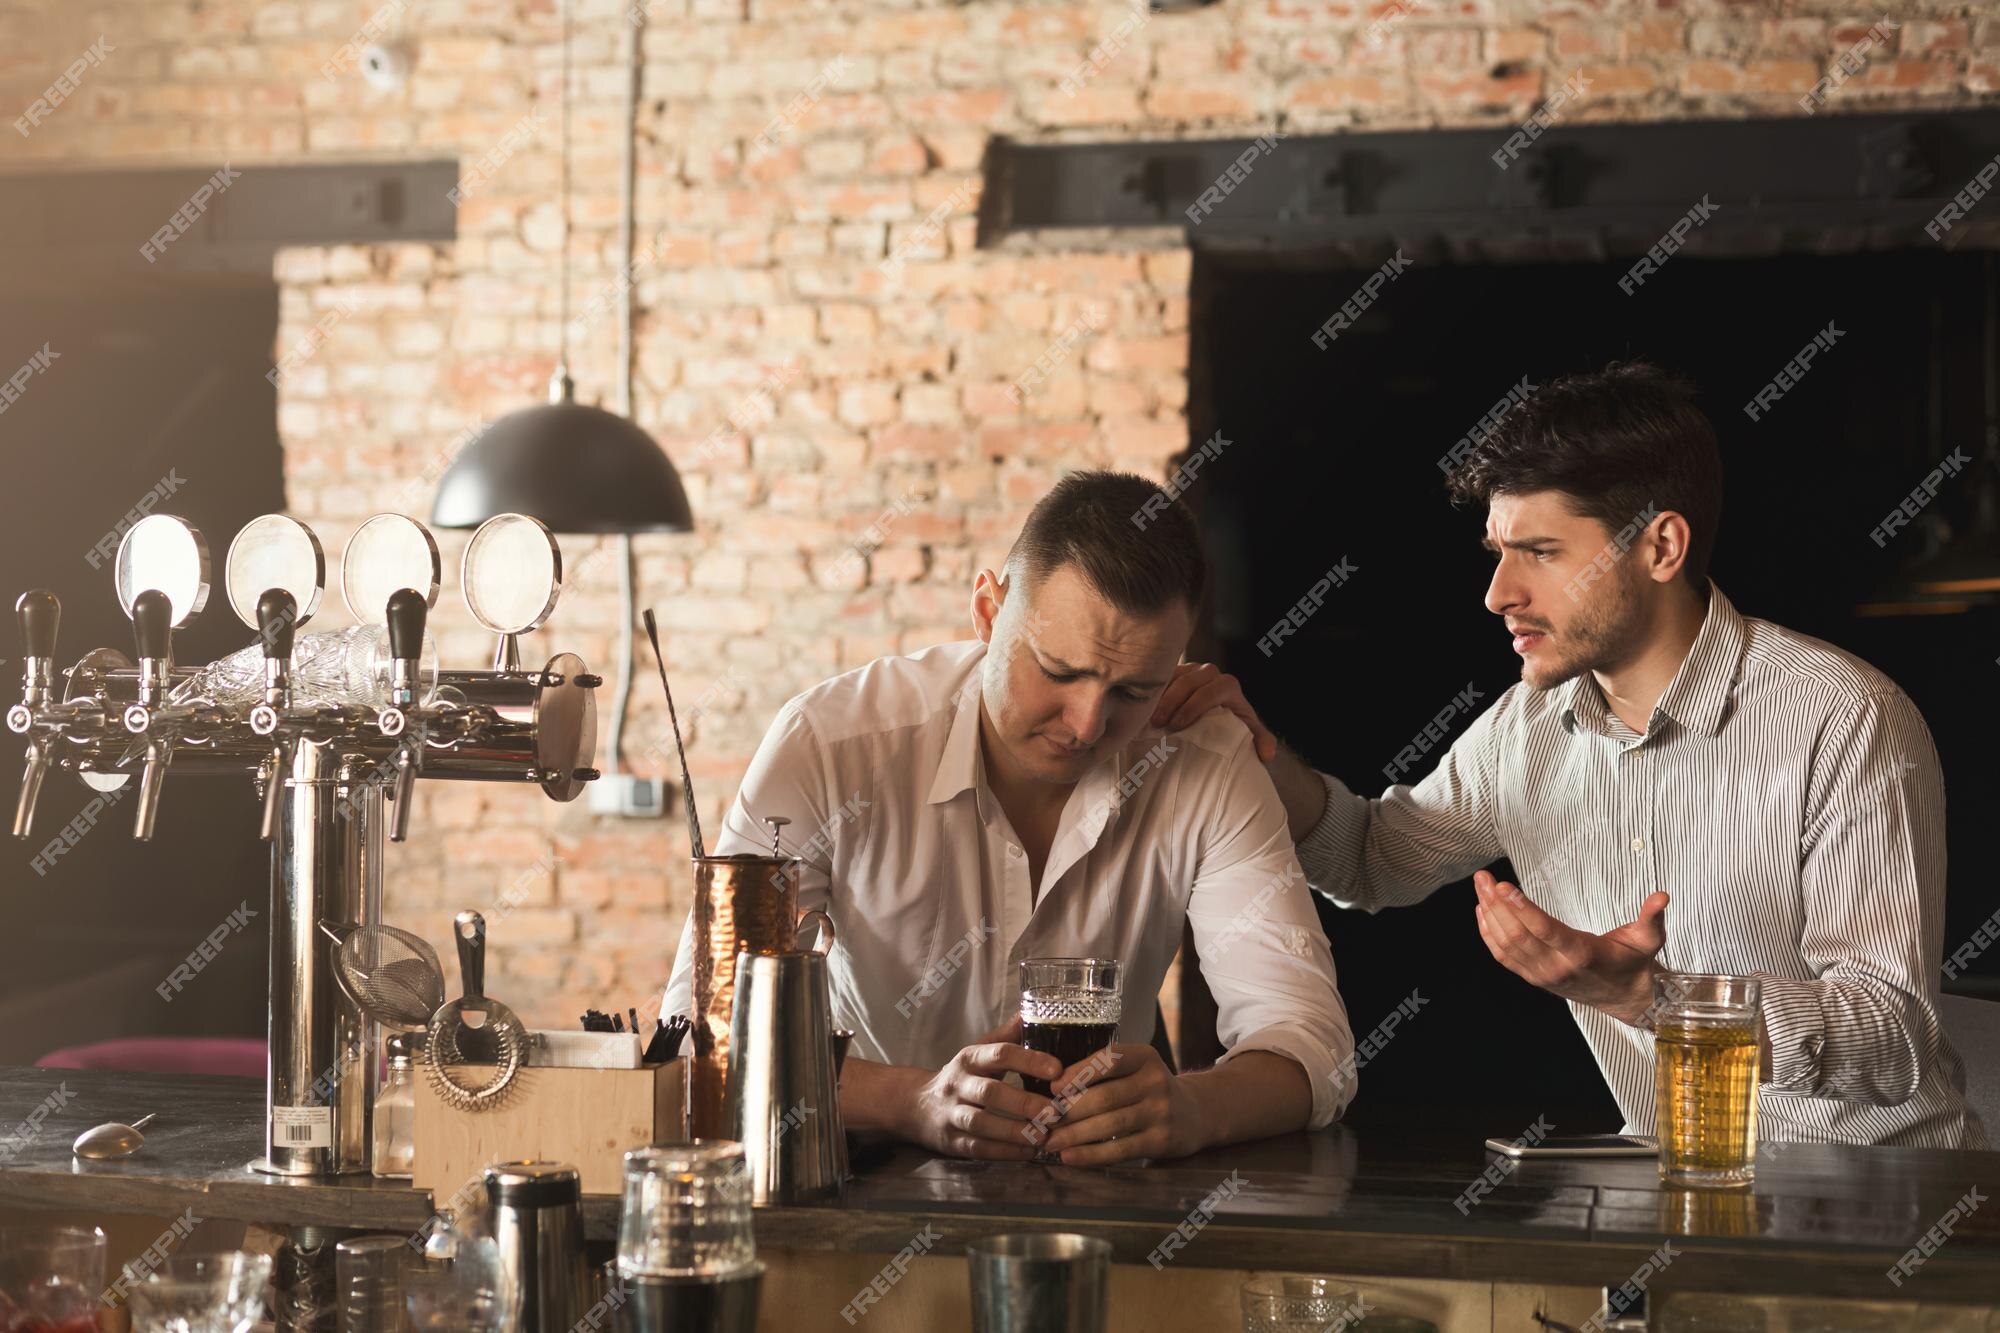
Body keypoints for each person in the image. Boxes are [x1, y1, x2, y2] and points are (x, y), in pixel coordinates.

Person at [1154, 361, 1984, 1148]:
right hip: (1679, 1201)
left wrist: (1648, 999)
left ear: (1662, 547)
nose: (1497, 594)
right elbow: (1369, 858)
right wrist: (1253, 748)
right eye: (1499, 553)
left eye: (1541, 553)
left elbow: (1891, 1036)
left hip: (1886, 1209)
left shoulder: (1842, 718)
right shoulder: (1528, 727)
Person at [660, 471, 1354, 1164]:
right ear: (988, 613)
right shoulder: (829, 746)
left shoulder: (1206, 758)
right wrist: (912, 1100)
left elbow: (1311, 1042)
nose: (1087, 724)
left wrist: (1196, 1107)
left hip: (1096, 1200)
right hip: (855, 1183)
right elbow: (703, 1034)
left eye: (1133, 691)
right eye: (1058, 670)